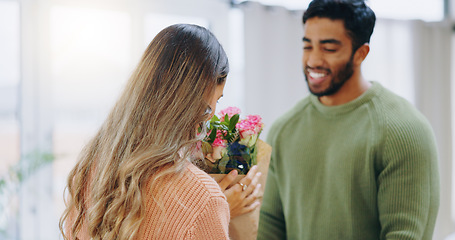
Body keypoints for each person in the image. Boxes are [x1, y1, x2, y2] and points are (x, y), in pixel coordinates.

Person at [257, 0, 440, 239]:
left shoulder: (403, 130)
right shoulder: (283, 129)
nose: (313, 60)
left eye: (329, 49)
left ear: (360, 54)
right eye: (307, 46)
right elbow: (269, 226)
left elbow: (404, 234)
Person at [59, 24, 260, 240]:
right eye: (211, 104)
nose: (211, 116)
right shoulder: (202, 198)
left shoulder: (90, 168)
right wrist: (215, 212)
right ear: (195, 105)